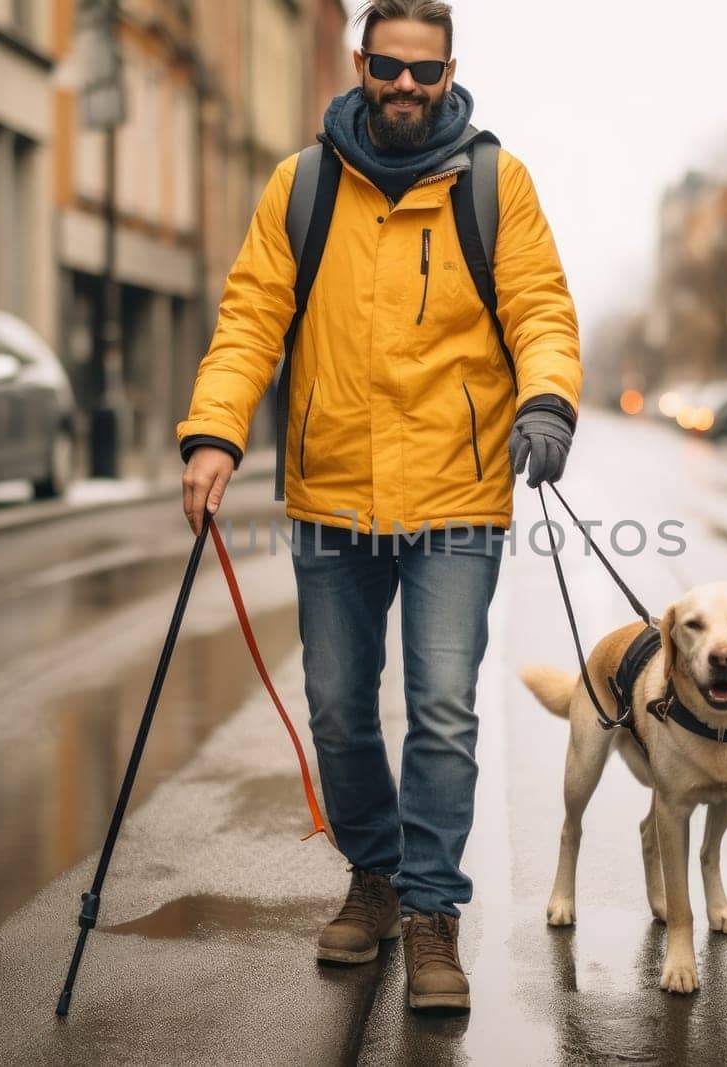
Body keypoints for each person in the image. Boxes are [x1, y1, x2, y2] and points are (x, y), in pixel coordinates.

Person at [174, 0, 581, 1014]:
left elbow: (539, 307)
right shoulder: (302, 184)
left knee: (441, 710)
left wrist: (545, 401)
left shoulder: (495, 182)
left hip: (456, 492)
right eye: (388, 69)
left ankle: (432, 910)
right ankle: (375, 869)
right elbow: (251, 315)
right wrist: (215, 430)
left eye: (425, 72)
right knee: (339, 711)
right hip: (330, 494)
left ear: (450, 72)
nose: (405, 87)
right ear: (361, 64)